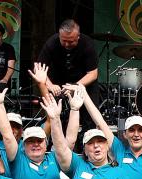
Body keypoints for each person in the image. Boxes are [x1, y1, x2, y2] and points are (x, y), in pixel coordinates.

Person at [37, 19, 99, 148]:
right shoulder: (51, 43)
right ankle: (54, 147)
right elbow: (39, 69)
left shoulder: (87, 44)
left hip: (84, 84)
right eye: (63, 40)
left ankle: (87, 148)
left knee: (90, 118)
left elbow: (93, 73)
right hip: (58, 83)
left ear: (78, 36)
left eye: (70, 41)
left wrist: (75, 87)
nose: (66, 44)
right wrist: (49, 84)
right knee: (55, 116)